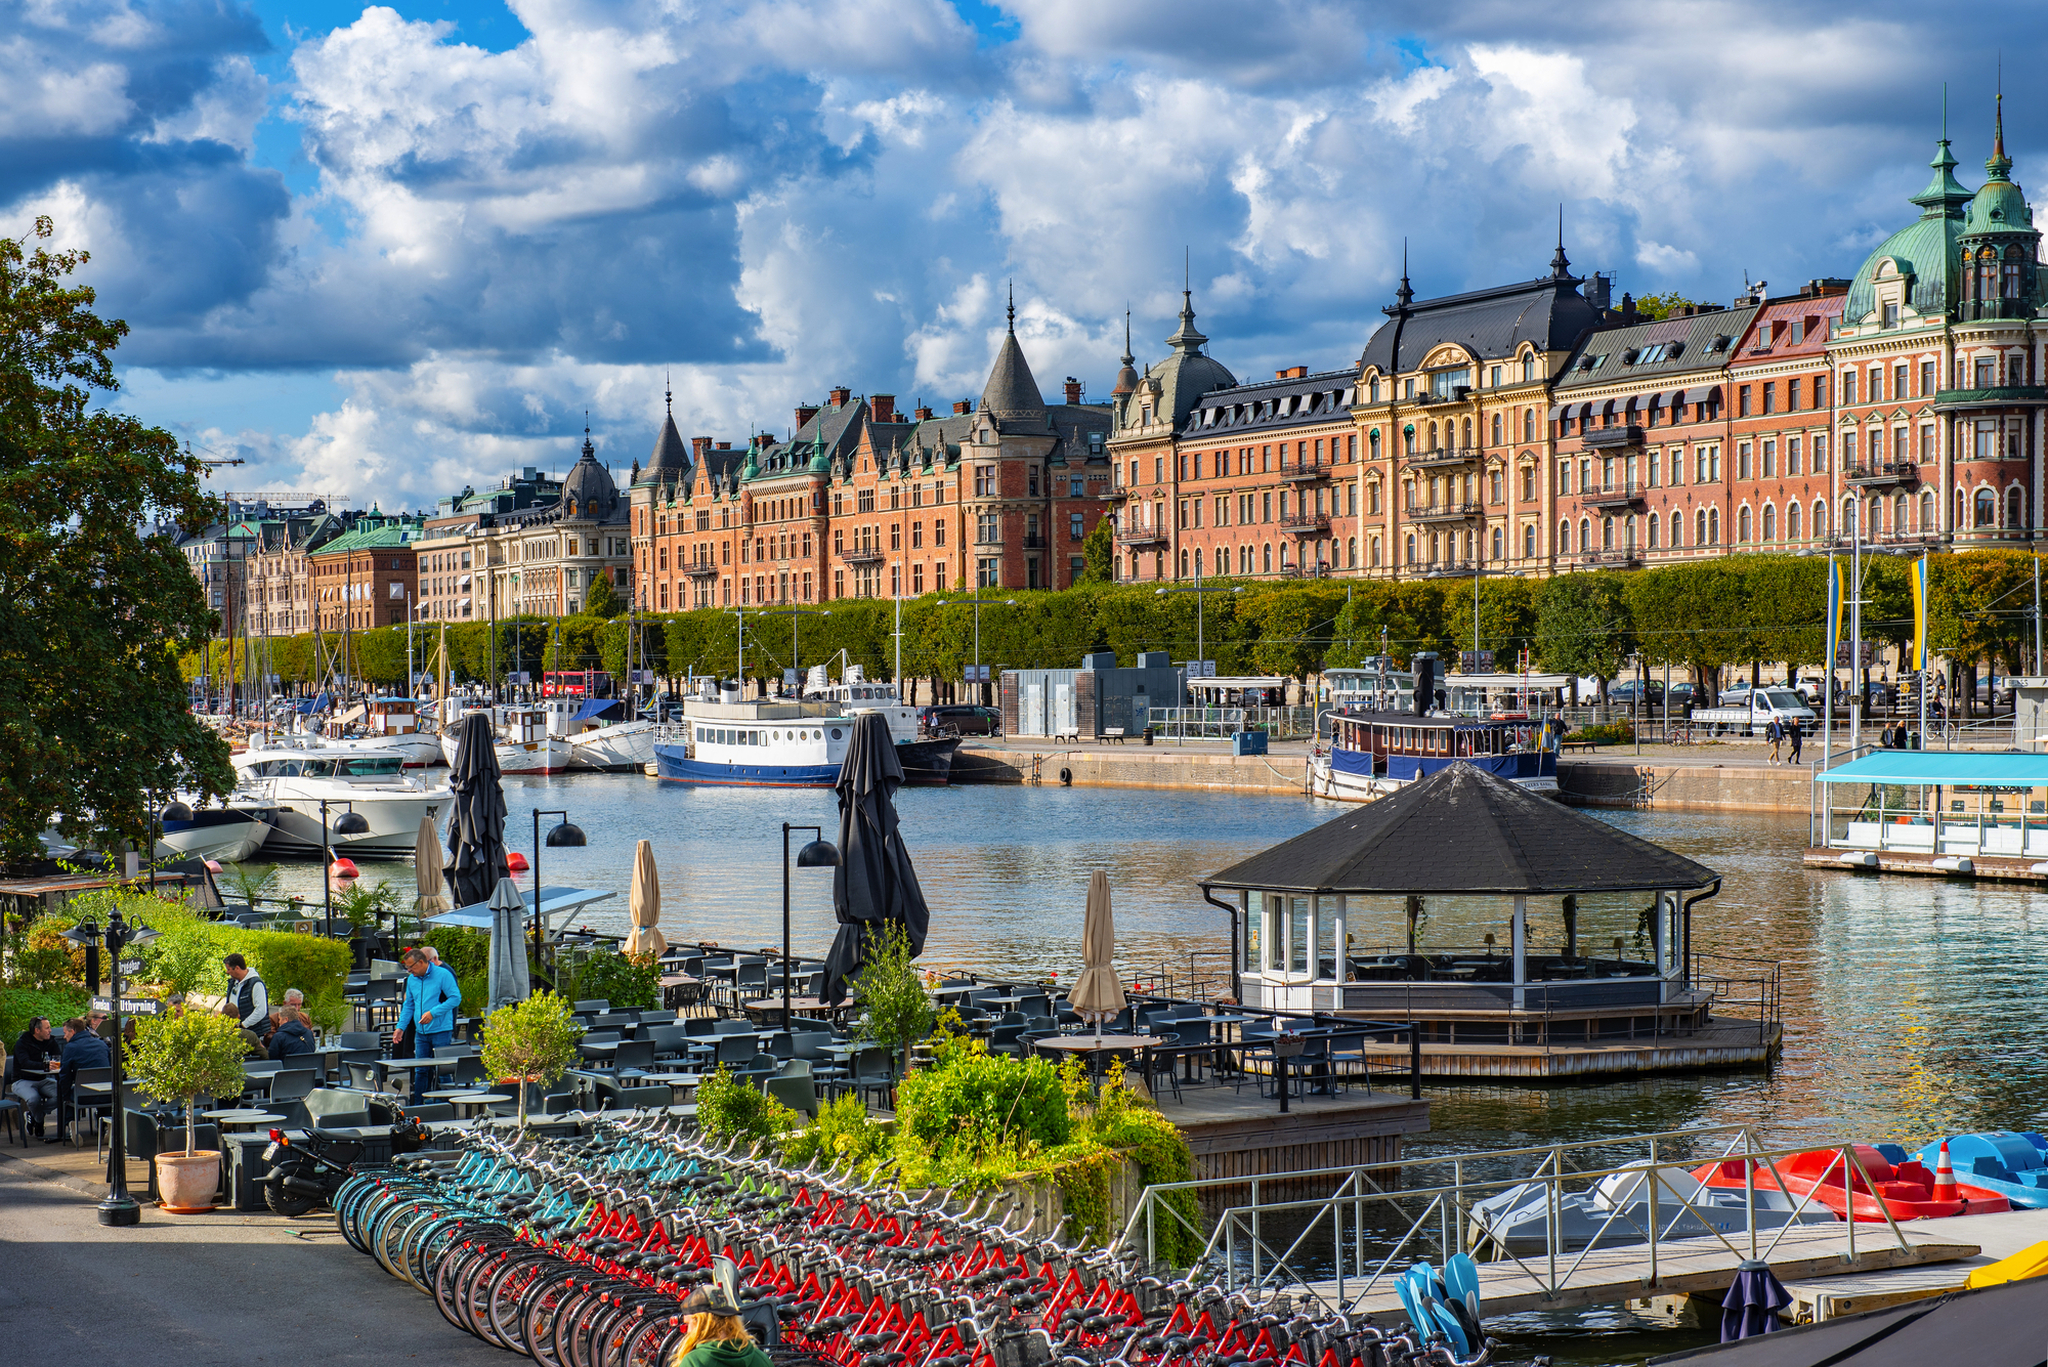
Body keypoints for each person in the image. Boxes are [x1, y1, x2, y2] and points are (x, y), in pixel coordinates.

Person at [393, 947, 462, 1104]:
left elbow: (455, 998)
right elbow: (409, 1005)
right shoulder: (412, 980)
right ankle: (419, 1105)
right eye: (407, 967)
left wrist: (433, 1012)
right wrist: (400, 1027)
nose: (409, 970)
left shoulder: (443, 974)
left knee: (442, 1070)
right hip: (421, 1032)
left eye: (411, 966)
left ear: (422, 962)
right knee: (421, 1070)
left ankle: (446, 1106)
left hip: (441, 1030)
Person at [670, 1262, 770, 1367]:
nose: (688, 1330)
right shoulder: (760, 1359)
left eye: (688, 1323)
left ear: (700, 1323)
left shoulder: (694, 1361)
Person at [54, 1016, 111, 1145]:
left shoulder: (71, 1048)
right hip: (106, 1094)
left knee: (69, 1094)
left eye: (65, 1033)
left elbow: (65, 1075)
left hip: (83, 1095)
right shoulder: (101, 1044)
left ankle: (72, 1124)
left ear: (72, 1031)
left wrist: (65, 1095)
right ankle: (107, 1124)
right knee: (101, 1092)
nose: (64, 1037)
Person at [11, 1016, 61, 1138]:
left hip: (43, 1079)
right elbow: (25, 1063)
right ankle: (39, 1121)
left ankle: (35, 1116)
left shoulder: (50, 1041)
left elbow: (58, 1057)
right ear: (37, 1030)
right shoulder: (22, 1043)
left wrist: (56, 1064)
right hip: (22, 1080)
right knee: (34, 1099)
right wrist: (45, 1065)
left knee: (63, 1093)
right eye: (47, 1028)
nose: (50, 1031)